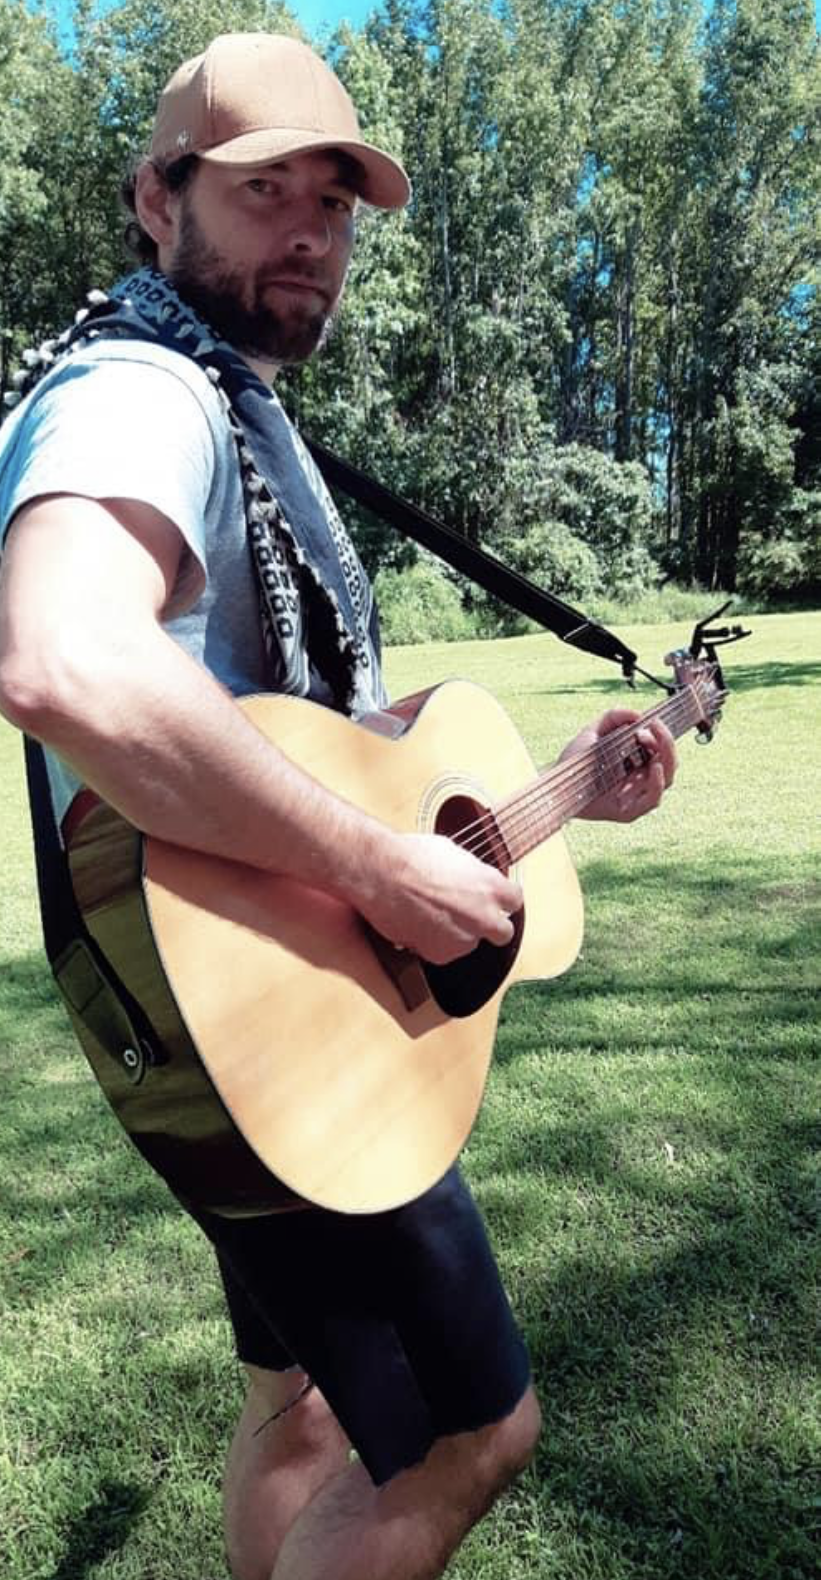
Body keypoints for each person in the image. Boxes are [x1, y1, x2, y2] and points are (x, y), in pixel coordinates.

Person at [0, 32, 676, 1580]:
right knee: (472, 1436)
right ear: (154, 203)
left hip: (257, 1032)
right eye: (262, 193)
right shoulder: (139, 390)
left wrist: (564, 793)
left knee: (298, 1407)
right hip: (267, 1025)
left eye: (337, 202)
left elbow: (321, 733)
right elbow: (60, 652)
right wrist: (381, 865)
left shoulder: (242, 409)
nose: (311, 231)